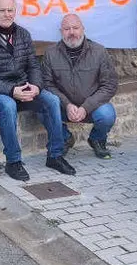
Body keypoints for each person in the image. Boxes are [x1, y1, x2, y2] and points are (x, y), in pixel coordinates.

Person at [0, 0, 75, 181]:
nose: (7, 14)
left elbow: (33, 66)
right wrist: (11, 91)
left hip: (22, 85)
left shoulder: (23, 34)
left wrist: (36, 86)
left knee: (52, 100)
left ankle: (55, 155)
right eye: (2, 10)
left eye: (10, 10)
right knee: (8, 105)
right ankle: (13, 161)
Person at [42, 14, 118, 159]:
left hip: (92, 107)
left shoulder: (99, 51)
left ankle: (97, 139)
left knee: (107, 114)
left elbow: (109, 85)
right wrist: (67, 104)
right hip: (63, 108)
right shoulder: (51, 53)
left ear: (83, 29)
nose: (71, 32)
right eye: (67, 29)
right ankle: (64, 138)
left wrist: (86, 107)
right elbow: (47, 84)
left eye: (75, 28)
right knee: (42, 108)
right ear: (61, 32)